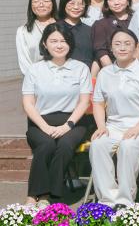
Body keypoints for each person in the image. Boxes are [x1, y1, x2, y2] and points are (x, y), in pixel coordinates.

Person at [90, 29, 139, 208]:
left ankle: (124, 200)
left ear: (136, 47)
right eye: (117, 44)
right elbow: (98, 103)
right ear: (111, 48)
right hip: (113, 126)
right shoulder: (105, 73)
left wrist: (137, 128)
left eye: (127, 44)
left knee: (128, 146)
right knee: (97, 145)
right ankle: (107, 200)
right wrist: (101, 126)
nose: (122, 48)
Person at [22, 24, 92, 205]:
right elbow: (28, 104)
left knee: (65, 146)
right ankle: (34, 196)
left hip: (73, 122)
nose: (59, 45)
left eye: (63, 41)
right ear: (45, 44)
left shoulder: (81, 68)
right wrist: (45, 127)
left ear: (70, 43)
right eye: (53, 41)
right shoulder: (35, 69)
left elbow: (84, 102)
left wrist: (67, 126)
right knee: (45, 145)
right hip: (40, 122)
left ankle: (50, 197)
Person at [17, 0, 58, 76]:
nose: (41, 4)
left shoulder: (63, 26)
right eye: (36, 1)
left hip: (65, 77)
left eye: (45, 1)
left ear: (53, 3)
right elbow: (24, 62)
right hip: (37, 78)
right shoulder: (23, 31)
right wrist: (36, 78)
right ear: (31, 5)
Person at [91, 0, 134, 67]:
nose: (116, 3)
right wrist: (114, 72)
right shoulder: (101, 24)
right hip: (111, 70)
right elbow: (101, 53)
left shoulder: (137, 20)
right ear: (107, 3)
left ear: (128, 0)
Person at [56, 0, 94, 67]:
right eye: (72, 3)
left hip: (86, 73)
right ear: (64, 4)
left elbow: (96, 57)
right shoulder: (54, 29)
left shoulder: (90, 30)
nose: (76, 7)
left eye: (80, 4)